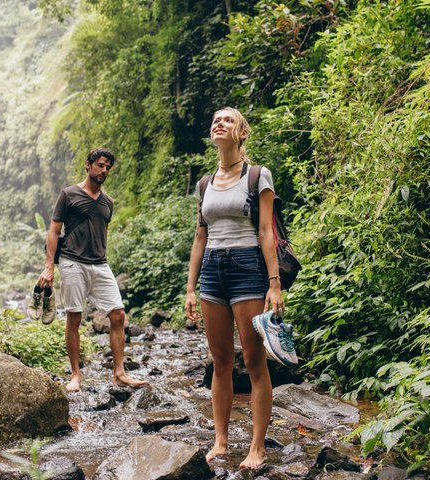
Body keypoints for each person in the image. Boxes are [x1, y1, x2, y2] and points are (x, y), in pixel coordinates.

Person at [185, 107, 283, 469]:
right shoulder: (204, 183)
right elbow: (200, 236)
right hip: (211, 270)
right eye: (215, 120)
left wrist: (274, 284)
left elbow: (266, 232)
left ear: (243, 133)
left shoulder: (258, 176)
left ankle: (257, 447)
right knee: (221, 361)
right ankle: (221, 441)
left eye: (227, 120)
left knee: (254, 361)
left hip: (247, 269)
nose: (219, 123)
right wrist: (191, 288)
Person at [38, 148, 148, 392]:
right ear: (87, 165)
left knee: (118, 314)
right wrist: (49, 267)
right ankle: (75, 375)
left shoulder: (108, 203)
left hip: (100, 264)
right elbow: (54, 231)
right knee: (74, 318)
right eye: (99, 165)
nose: (104, 171)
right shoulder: (68, 194)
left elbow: (102, 233)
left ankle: (119, 373)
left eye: (107, 167)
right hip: (72, 262)